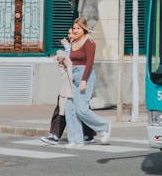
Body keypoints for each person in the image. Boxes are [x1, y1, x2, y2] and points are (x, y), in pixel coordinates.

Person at [62, 18, 111, 147]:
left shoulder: (89, 42)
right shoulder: (74, 42)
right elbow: (72, 60)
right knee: (69, 109)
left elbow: (89, 62)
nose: (75, 31)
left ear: (84, 29)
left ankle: (104, 127)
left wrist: (84, 80)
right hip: (73, 76)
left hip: (86, 76)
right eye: (74, 28)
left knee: (82, 110)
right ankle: (76, 140)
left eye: (78, 28)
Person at [42, 47, 95, 146]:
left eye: (73, 31)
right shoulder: (72, 49)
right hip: (68, 87)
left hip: (73, 87)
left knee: (76, 110)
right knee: (70, 110)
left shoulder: (81, 48)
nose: (71, 35)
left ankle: (55, 135)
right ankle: (88, 134)